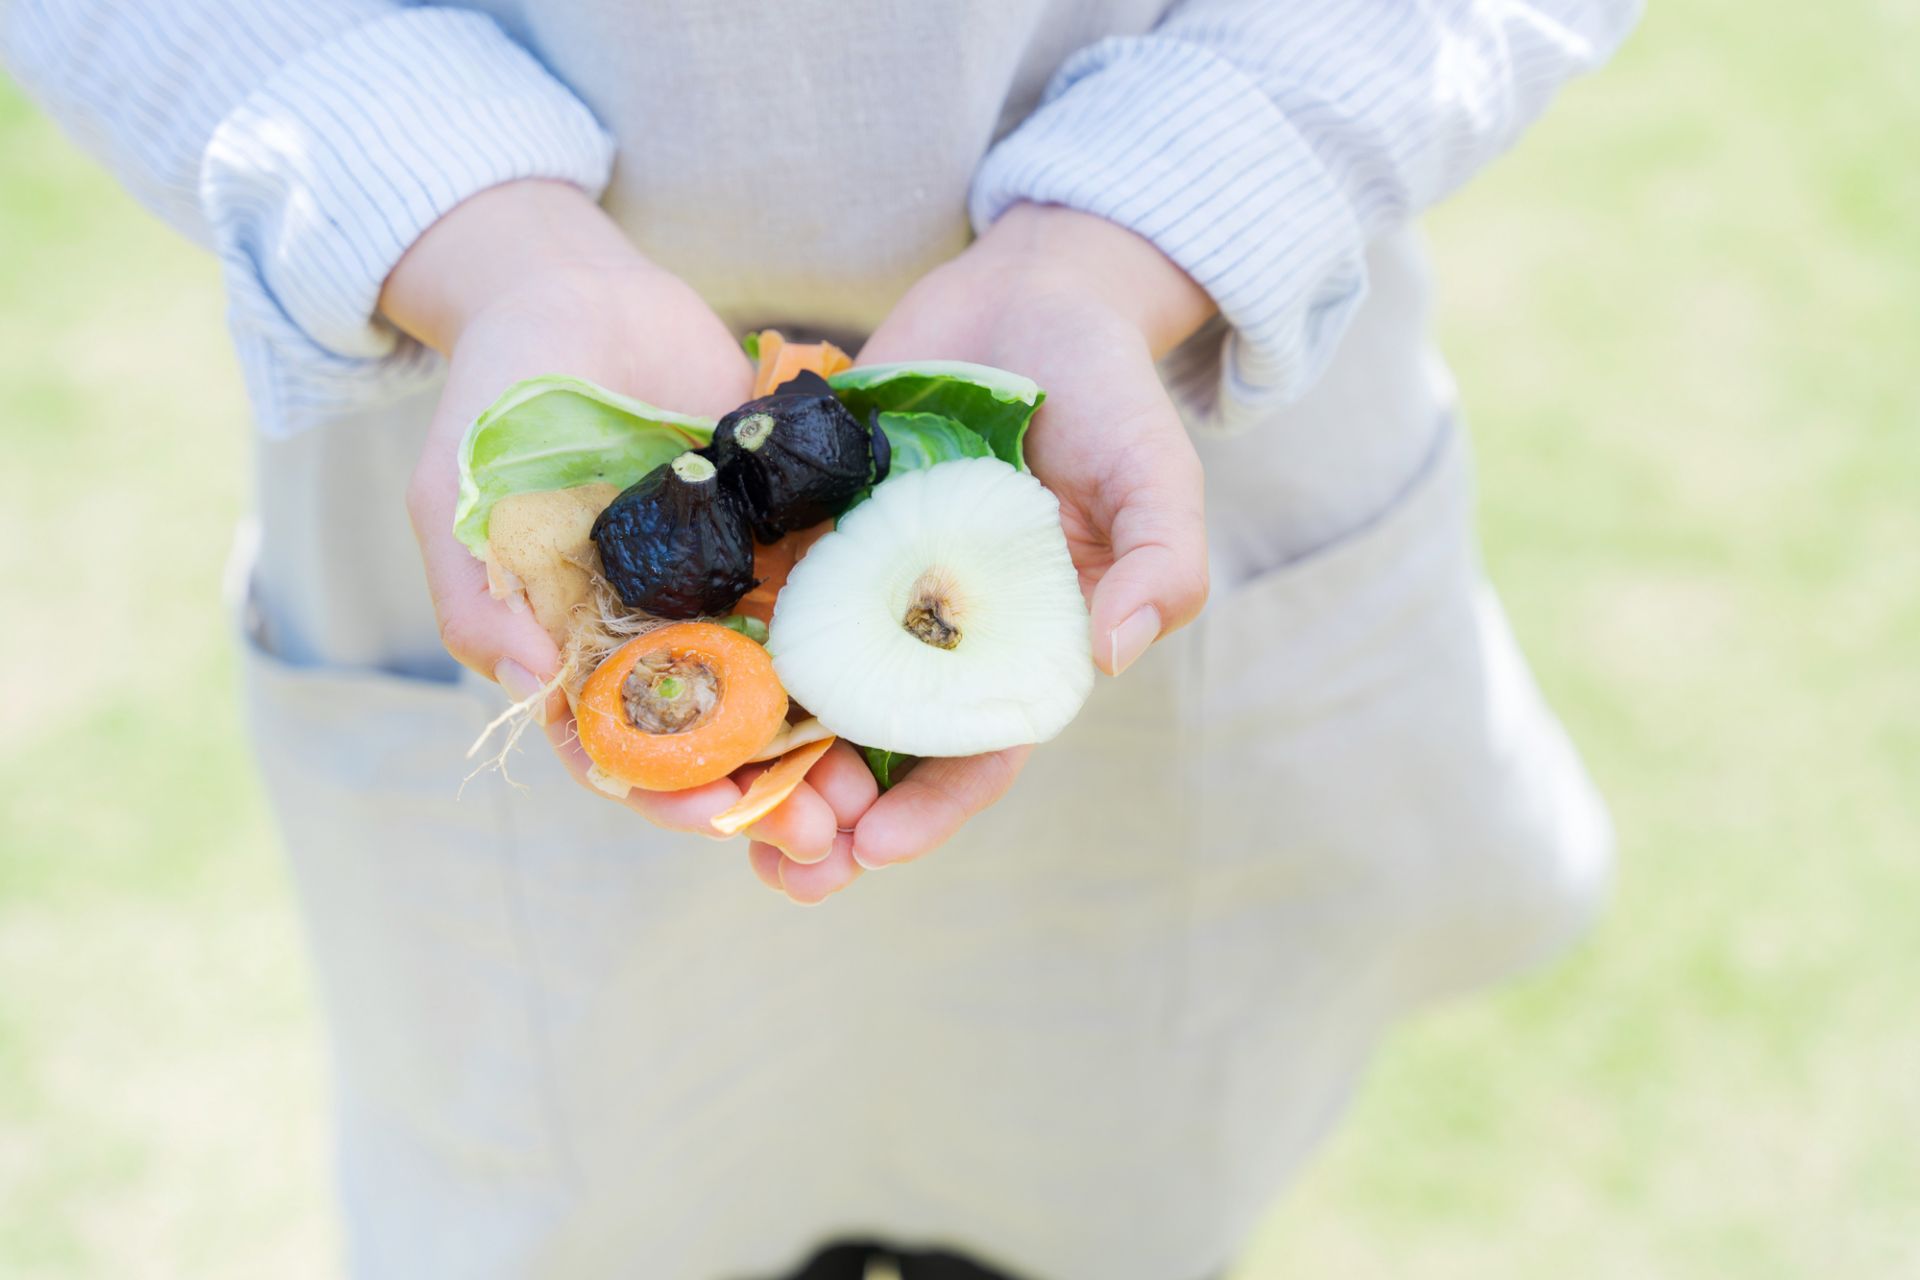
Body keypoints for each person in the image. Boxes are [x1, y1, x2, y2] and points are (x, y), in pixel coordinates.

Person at [4, 1, 1641, 1276]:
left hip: (1164, 419)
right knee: (604, 1206)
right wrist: (475, 233)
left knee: (1113, 1197)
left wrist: (1136, 230)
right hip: (476, 402)